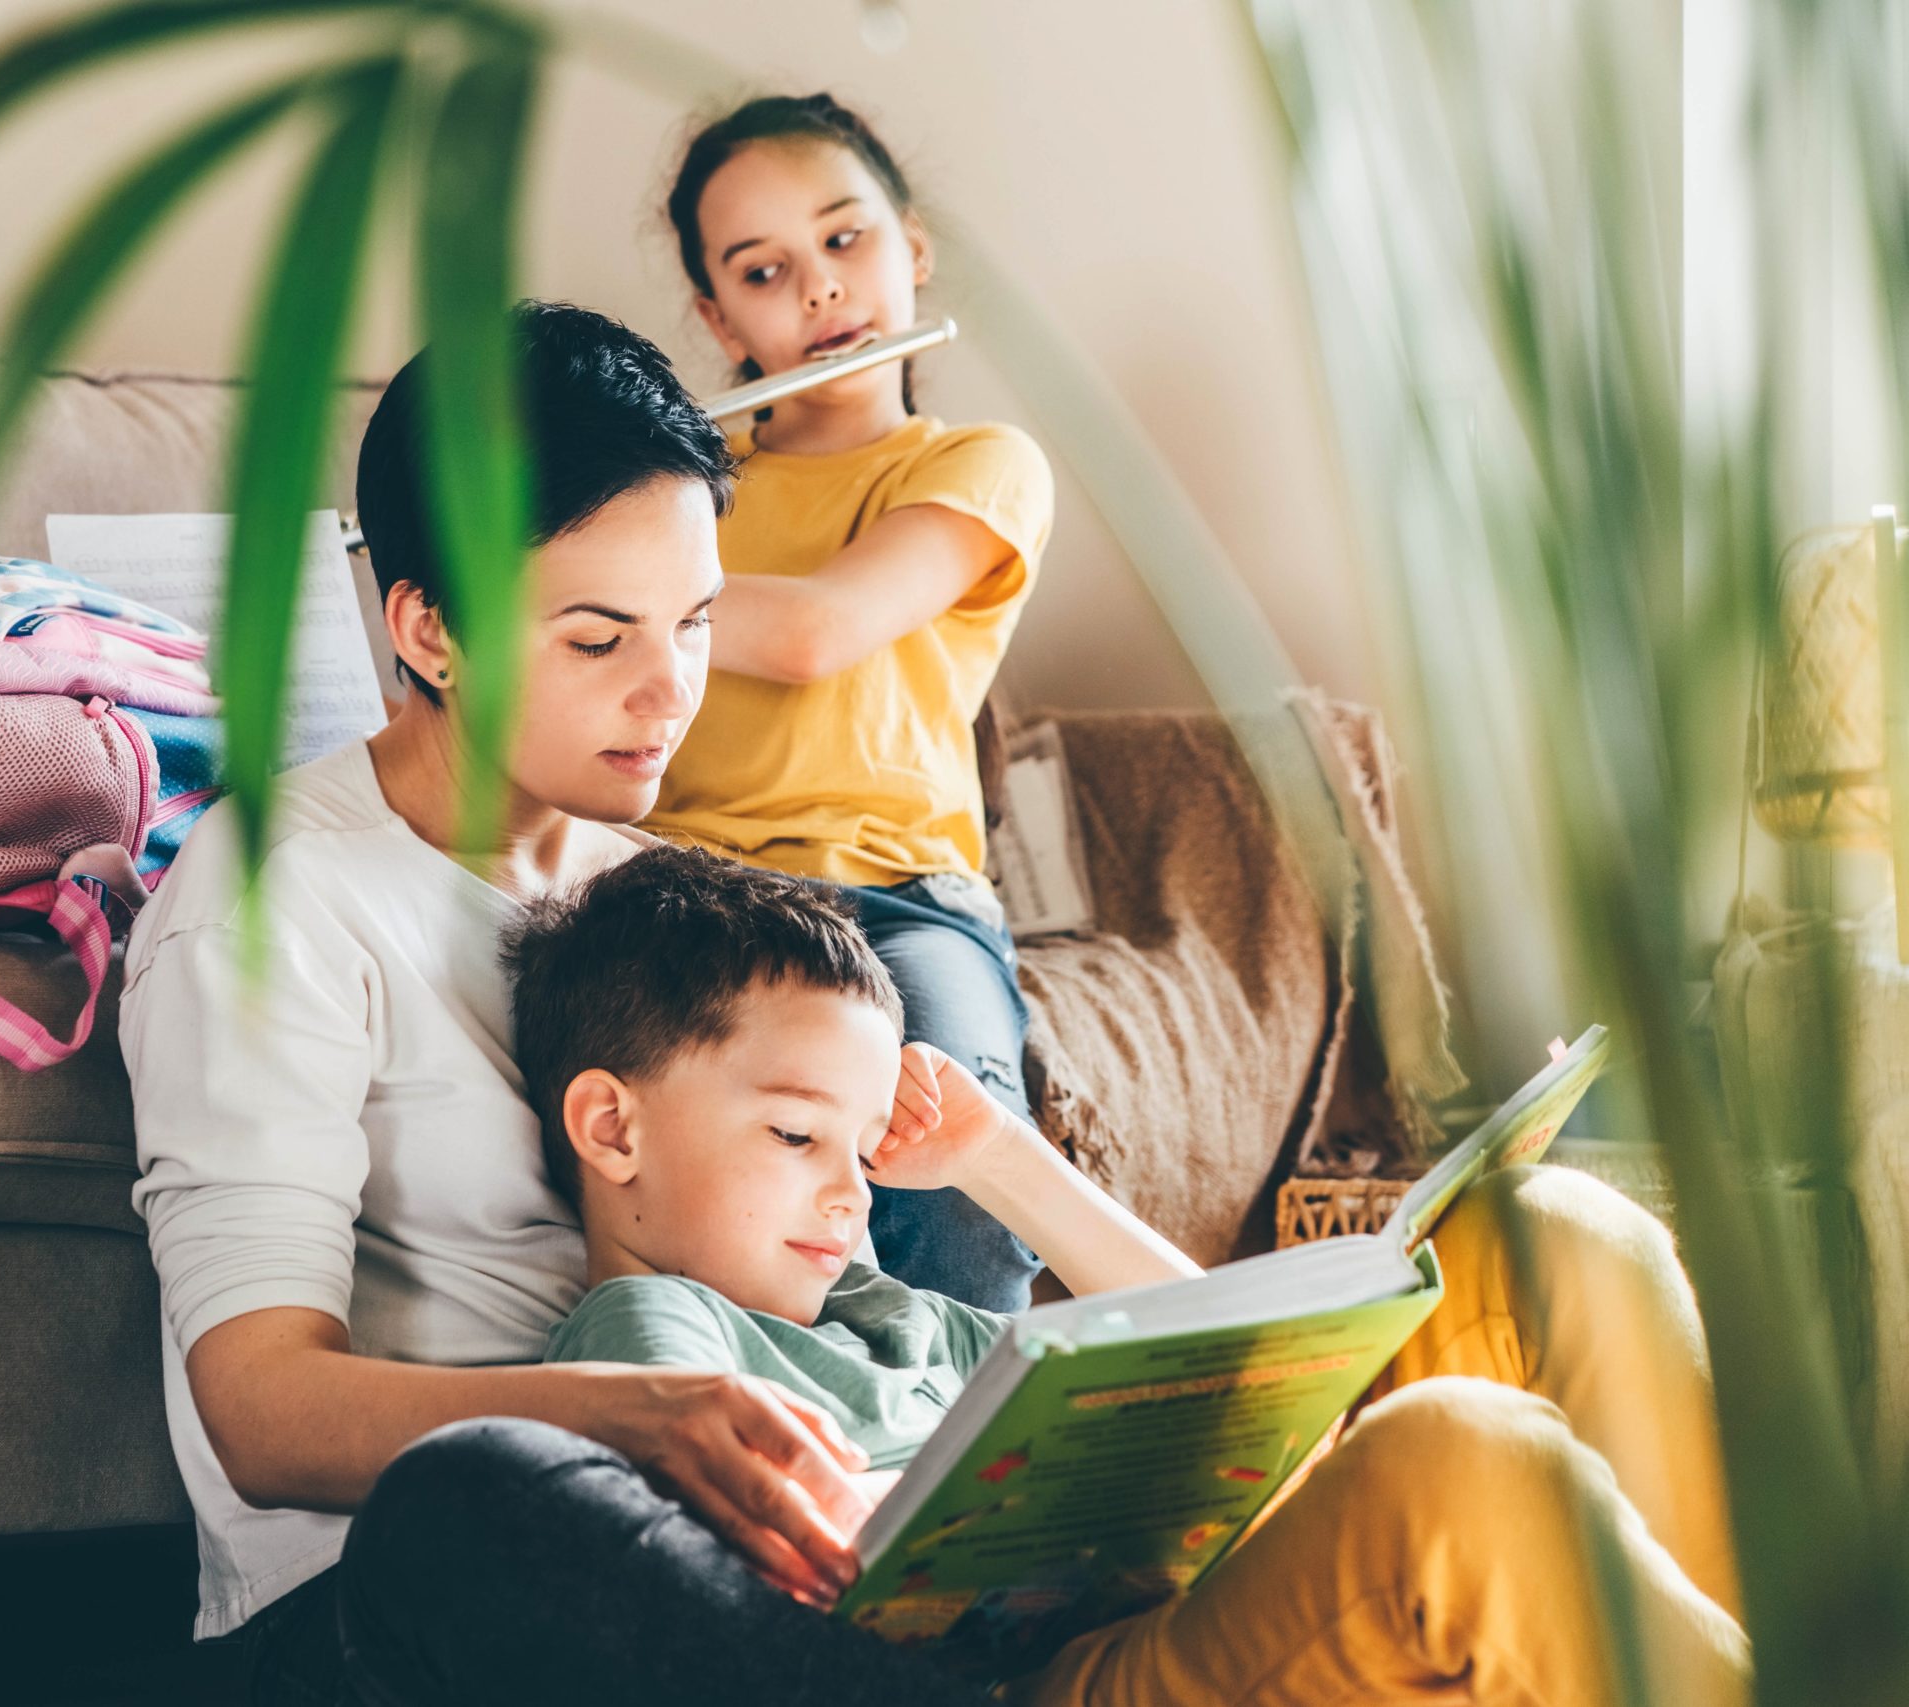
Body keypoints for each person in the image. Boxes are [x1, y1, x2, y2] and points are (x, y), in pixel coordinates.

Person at [381, 841, 1748, 1707]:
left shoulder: (893, 1311)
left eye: (859, 1143)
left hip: (1187, 1596)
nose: (849, 1187)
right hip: (1042, 1677)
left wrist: (998, 1156)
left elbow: (1236, 1358)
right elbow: (736, 1614)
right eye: (798, 1133)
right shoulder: (648, 1337)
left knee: (1563, 1235)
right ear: (613, 1126)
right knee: (1462, 1455)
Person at [124, 300, 890, 1696]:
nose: (671, 693)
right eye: (599, 640)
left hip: (694, 1558)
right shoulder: (276, 894)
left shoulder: (663, 894)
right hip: (380, 1601)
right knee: (483, 1488)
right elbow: (261, 1409)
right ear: (429, 626)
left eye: (697, 623)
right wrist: (636, 1418)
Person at [645, 93, 1060, 1311]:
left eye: (844, 241)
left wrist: (589, 577)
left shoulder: (975, 464)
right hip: (687, 890)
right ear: (720, 319)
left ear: (911, 248)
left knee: (965, 1178)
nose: (819, 291)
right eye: (763, 271)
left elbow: (820, 632)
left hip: (899, 904)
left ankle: (964, 1467)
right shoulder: (682, 495)